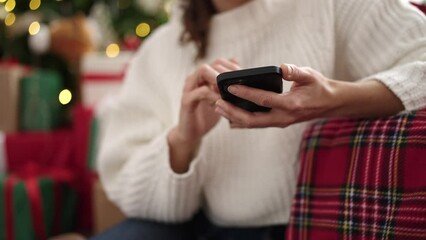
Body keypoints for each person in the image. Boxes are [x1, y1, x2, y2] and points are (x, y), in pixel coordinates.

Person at [93, 0, 426, 239]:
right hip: (199, 225)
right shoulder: (161, 48)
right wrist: (184, 139)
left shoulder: (334, 6)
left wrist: (334, 100)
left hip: (311, 225)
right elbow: (125, 183)